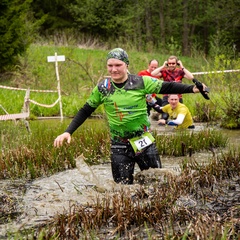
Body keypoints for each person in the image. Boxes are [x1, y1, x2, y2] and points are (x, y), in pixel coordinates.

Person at [54, 48, 208, 185]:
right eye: (110, 66)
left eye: (118, 65)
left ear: (126, 65)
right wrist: (68, 131)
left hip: (144, 141)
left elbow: (167, 86)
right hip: (119, 145)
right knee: (122, 191)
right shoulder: (103, 88)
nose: (114, 69)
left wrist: (193, 88)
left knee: (159, 186)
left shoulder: (140, 82)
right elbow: (86, 110)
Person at [151, 56, 194, 120]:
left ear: (176, 64)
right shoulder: (165, 71)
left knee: (179, 117)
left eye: (173, 63)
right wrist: (163, 66)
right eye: (169, 63)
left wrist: (182, 66)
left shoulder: (180, 72)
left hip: (178, 97)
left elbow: (191, 77)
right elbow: (153, 73)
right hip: (167, 96)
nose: (171, 65)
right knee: (164, 117)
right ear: (167, 63)